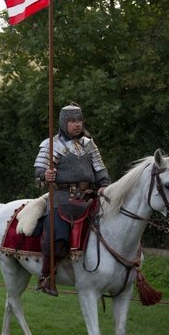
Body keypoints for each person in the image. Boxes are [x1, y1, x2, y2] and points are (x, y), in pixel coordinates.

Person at [33, 103, 110, 296]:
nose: (77, 125)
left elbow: (99, 168)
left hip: (89, 197)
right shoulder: (51, 144)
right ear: (63, 122)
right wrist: (46, 175)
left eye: (79, 120)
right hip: (62, 198)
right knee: (56, 233)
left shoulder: (89, 144)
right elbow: (39, 171)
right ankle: (46, 276)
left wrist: (104, 184)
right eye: (72, 121)